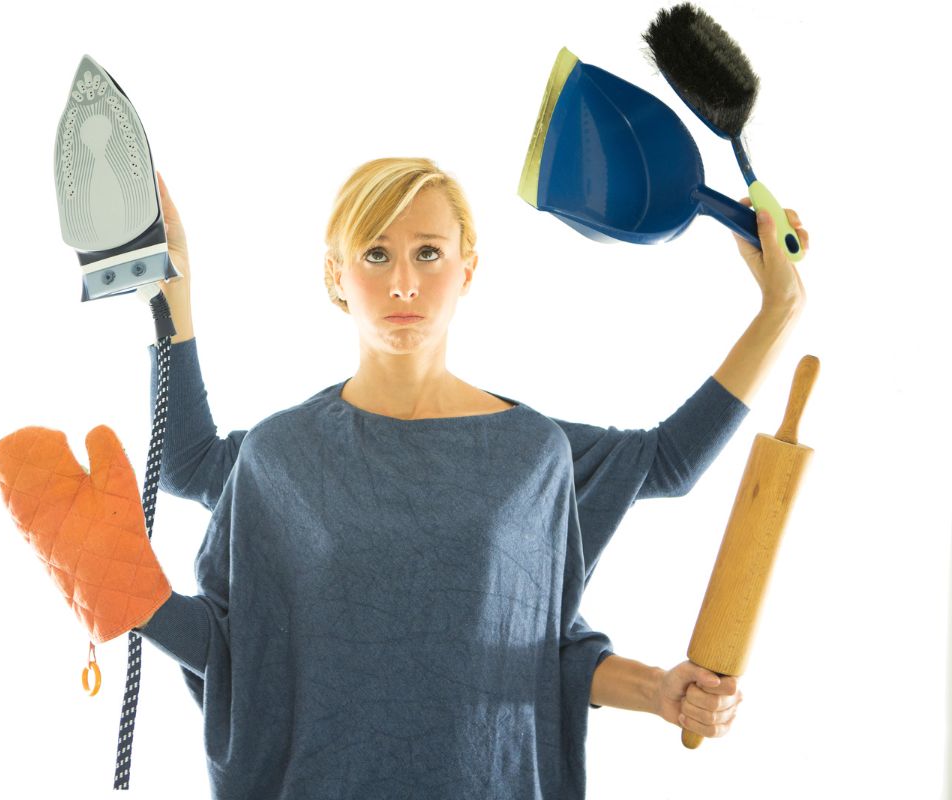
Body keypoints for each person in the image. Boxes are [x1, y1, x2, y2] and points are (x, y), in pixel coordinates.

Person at [132, 158, 808, 799]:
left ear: (468, 270)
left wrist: (780, 308)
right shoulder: (282, 455)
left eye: (428, 252)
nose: (404, 283)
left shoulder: (529, 454)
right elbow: (191, 475)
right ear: (336, 274)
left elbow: (662, 470)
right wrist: (172, 287)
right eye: (376, 254)